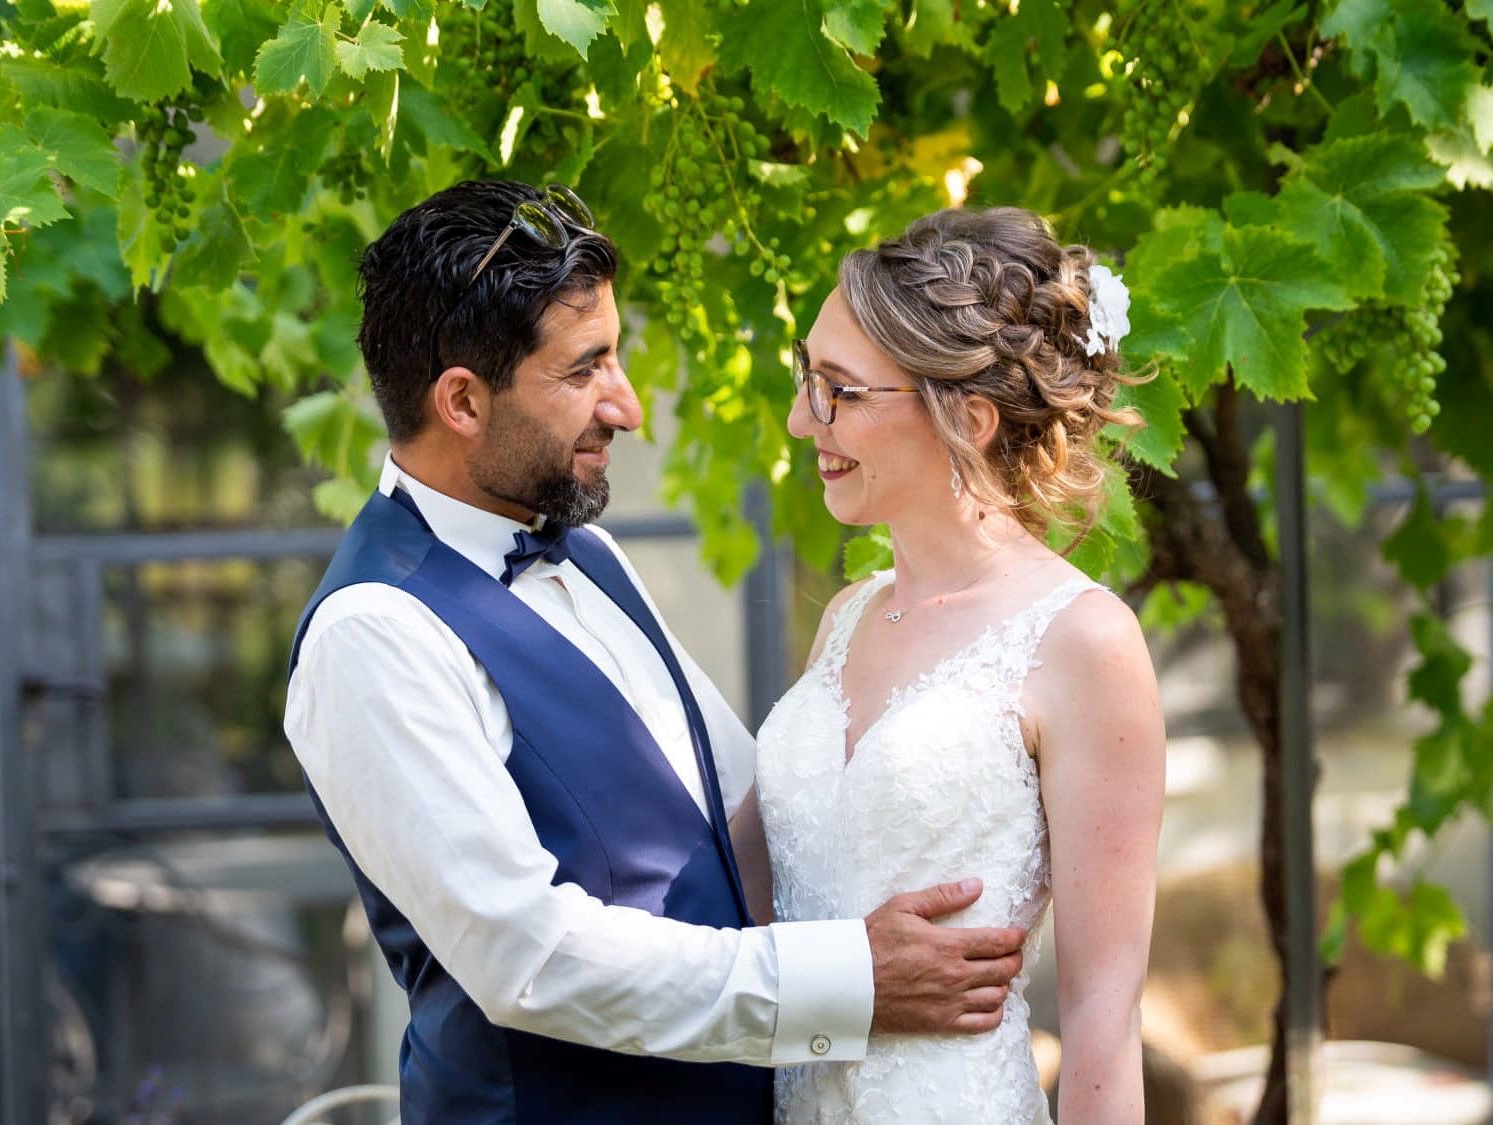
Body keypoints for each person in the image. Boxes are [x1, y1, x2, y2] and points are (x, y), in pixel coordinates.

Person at [283, 180, 1029, 1125]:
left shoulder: (588, 551)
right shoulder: (372, 634)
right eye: (583, 369)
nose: (626, 406)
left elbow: (742, 808)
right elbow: (530, 958)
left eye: (616, 358)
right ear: (462, 401)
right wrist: (852, 978)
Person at [751, 207, 1166, 1123]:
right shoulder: (845, 618)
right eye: (803, 380)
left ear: (967, 417)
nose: (797, 420)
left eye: (838, 392)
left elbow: (1103, 1014)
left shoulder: (1083, 642)